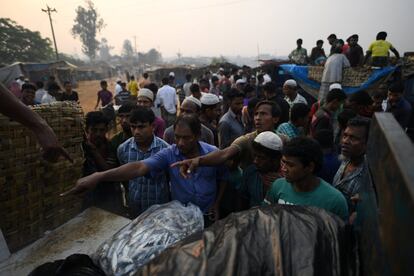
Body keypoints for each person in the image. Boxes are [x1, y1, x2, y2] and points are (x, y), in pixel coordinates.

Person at [64, 115, 228, 226]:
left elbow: (222, 178)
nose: (180, 143)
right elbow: (139, 167)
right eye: (177, 137)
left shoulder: (213, 153)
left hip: (209, 216)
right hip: (181, 220)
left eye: (186, 138)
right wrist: (99, 176)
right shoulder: (169, 153)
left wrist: (217, 203)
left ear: (198, 135)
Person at [171, 100, 282, 176]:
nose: (258, 118)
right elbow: (224, 154)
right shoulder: (246, 140)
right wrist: (197, 161)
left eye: (263, 114)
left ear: (276, 119)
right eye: (256, 114)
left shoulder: (284, 141)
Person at [264, 137, 349, 220]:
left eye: (290, 165)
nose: (284, 169)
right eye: (283, 162)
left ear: (310, 167)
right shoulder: (277, 186)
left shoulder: (334, 201)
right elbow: (265, 219)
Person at [117, 107, 170, 217]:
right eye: (133, 127)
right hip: (135, 207)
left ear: (153, 126)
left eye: (141, 127)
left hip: (159, 209)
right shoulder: (123, 149)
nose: (136, 132)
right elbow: (125, 178)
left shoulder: (165, 149)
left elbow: (169, 178)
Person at [0, 82, 72, 162]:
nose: (30, 94)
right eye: (27, 92)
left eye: (32, 93)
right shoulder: (12, 106)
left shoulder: (40, 107)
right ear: (21, 92)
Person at [82, 111, 122, 213]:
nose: (98, 134)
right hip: (87, 197)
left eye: (101, 130)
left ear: (106, 130)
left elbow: (110, 172)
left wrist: (94, 152)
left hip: (109, 197)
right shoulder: (80, 148)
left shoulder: (111, 147)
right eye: (94, 130)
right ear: (87, 130)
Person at [333, 117, 372, 211]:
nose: (345, 141)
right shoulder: (345, 159)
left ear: (367, 143)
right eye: (345, 135)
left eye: (353, 138)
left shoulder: (369, 175)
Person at [239, 131, 283, 208]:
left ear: (275, 160)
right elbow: (243, 201)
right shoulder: (250, 172)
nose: (255, 161)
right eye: (254, 156)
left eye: (262, 158)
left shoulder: (286, 180)